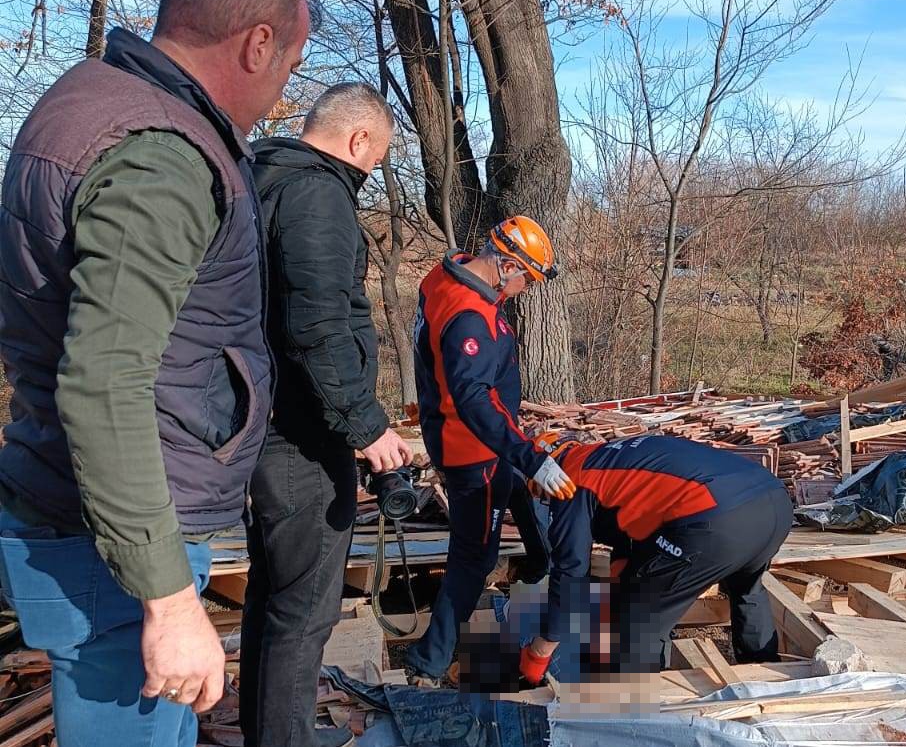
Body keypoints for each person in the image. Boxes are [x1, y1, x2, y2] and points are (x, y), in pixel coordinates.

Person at [0, 0, 315, 747]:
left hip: (97, 523)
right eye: (288, 62)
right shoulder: (163, 158)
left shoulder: (94, 100)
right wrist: (169, 599)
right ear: (257, 44)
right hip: (116, 552)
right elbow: (103, 382)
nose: (282, 92)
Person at [239, 83, 413, 747]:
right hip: (304, 438)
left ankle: (269, 732)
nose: (371, 172)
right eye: (377, 156)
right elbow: (317, 325)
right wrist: (365, 425)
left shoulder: (265, 181)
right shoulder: (317, 194)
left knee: (277, 600)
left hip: (275, 424)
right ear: (359, 138)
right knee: (305, 612)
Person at [404, 218, 576, 686]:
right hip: (470, 450)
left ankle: (536, 563)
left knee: (514, 485)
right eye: (526, 279)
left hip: (483, 440)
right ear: (505, 264)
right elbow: (473, 398)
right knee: (475, 556)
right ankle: (429, 660)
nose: (524, 290)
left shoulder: (447, 276)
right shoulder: (468, 318)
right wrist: (529, 455)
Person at [519, 434, 793, 684]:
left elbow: (569, 571)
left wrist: (540, 651)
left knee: (637, 625)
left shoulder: (571, 481)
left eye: (539, 491)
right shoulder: (610, 457)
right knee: (747, 589)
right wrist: (621, 585)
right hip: (773, 503)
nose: (545, 499)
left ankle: (640, 712)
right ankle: (765, 678)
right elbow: (637, 523)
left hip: (715, 519)